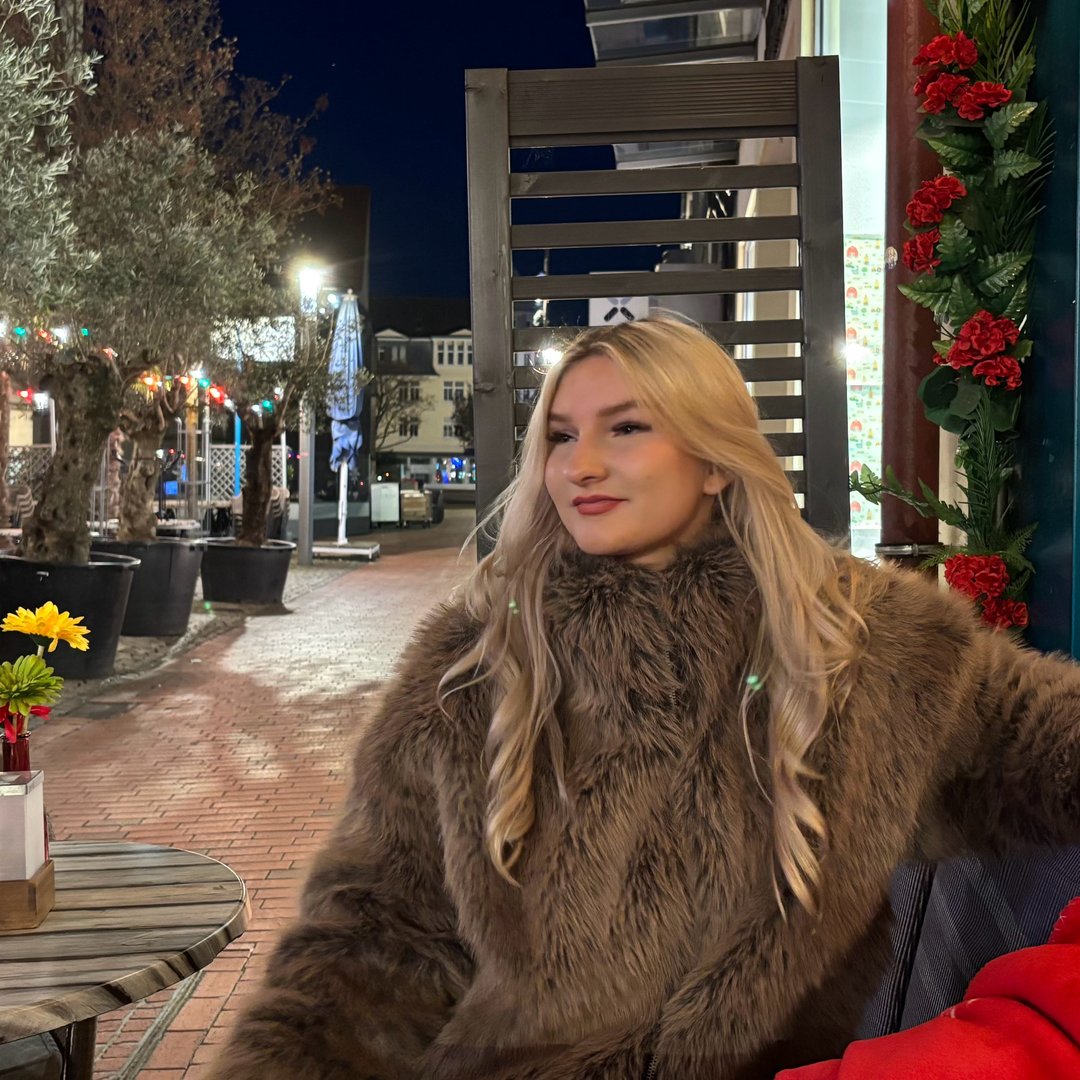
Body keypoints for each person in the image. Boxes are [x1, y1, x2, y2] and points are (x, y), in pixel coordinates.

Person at [209, 317, 1080, 1080]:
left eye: (626, 428)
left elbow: (1046, 744)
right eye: (559, 436)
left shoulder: (878, 644)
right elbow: (371, 942)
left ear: (716, 460)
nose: (580, 465)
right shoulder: (476, 662)